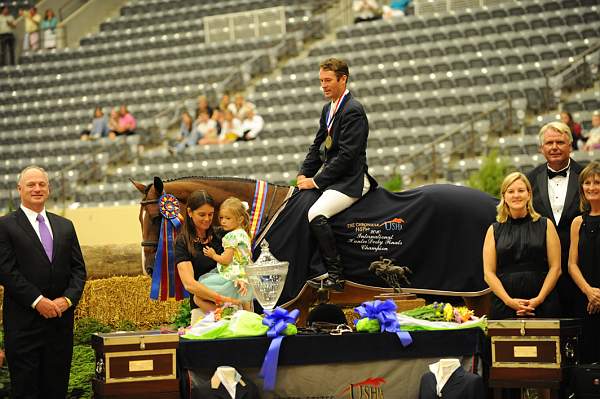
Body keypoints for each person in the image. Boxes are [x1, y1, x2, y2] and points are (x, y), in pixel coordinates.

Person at [0, 165, 87, 398]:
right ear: (20, 189)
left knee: (56, 390)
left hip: (59, 327)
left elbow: (79, 271)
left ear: (48, 189)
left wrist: (66, 300)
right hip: (23, 327)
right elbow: (6, 271)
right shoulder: (5, 225)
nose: (37, 188)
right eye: (31, 184)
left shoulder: (65, 226)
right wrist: (38, 301)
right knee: (27, 391)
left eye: (42, 184)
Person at [297, 58, 377, 291]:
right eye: (321, 81)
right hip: (335, 179)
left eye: (328, 80)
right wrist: (303, 173)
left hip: (351, 180)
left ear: (343, 79)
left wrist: (316, 181)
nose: (323, 85)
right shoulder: (328, 109)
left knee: (315, 212)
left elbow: (347, 156)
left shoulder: (353, 110)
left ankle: (336, 275)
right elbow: (317, 145)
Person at [483, 172, 562, 319]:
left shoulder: (546, 225)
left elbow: (556, 268)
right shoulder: (493, 230)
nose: (516, 195)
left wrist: (539, 299)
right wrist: (508, 301)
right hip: (504, 304)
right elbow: (488, 274)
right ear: (504, 197)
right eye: (510, 191)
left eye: (521, 190)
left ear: (529, 194)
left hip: (543, 303)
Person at [527, 121, 584, 317]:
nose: (554, 147)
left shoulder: (587, 177)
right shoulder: (530, 179)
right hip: (542, 270)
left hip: (583, 266)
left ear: (570, 145)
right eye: (549, 143)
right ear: (541, 148)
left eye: (560, 142)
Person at [175, 190, 241, 325]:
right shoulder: (182, 242)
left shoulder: (223, 235)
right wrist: (221, 299)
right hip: (203, 311)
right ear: (189, 212)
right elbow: (189, 284)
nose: (207, 219)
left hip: (234, 306)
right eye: (202, 214)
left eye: (210, 214)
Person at [568, 161, 600, 363]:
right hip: (585, 301)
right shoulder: (577, 222)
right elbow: (572, 264)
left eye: (597, 182)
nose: (591, 187)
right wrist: (589, 292)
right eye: (587, 183)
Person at [200, 197, 253, 311]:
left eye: (228, 218)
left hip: (233, 275)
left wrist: (213, 255)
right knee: (245, 298)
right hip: (244, 273)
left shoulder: (231, 236)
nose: (223, 221)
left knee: (203, 286)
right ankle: (249, 317)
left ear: (239, 220)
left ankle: (229, 311)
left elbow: (226, 260)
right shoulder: (244, 234)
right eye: (221, 218)